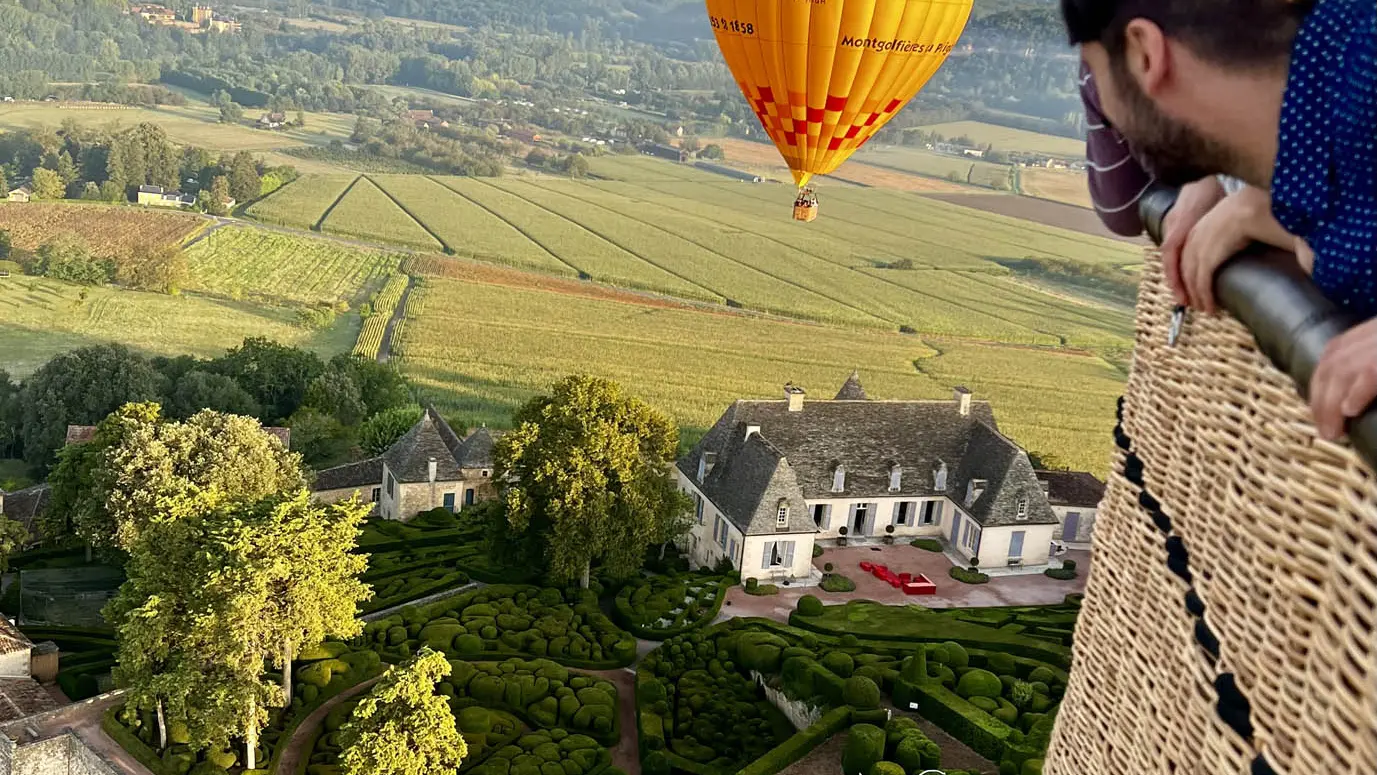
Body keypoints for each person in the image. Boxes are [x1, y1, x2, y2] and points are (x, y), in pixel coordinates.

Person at [1063, 0, 1376, 442]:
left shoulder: (1363, 63)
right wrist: (1249, 205)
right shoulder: (1319, 176)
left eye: (1095, 73)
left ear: (1145, 55)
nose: (1105, 112)